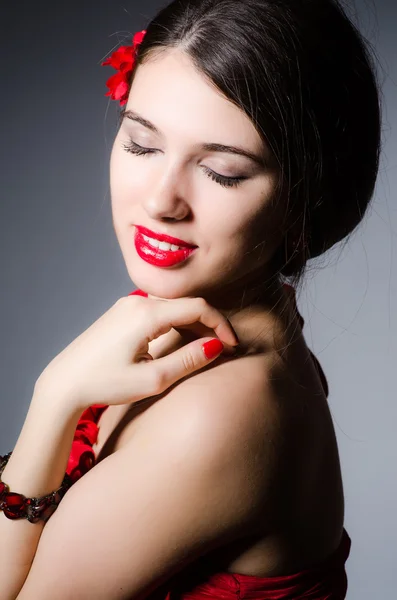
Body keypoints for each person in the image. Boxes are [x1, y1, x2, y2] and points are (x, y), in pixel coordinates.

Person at [0, 0, 381, 598]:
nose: (161, 201)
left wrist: (55, 396)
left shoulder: (219, 415)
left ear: (305, 201)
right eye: (141, 144)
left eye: (223, 172)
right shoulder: (211, 328)